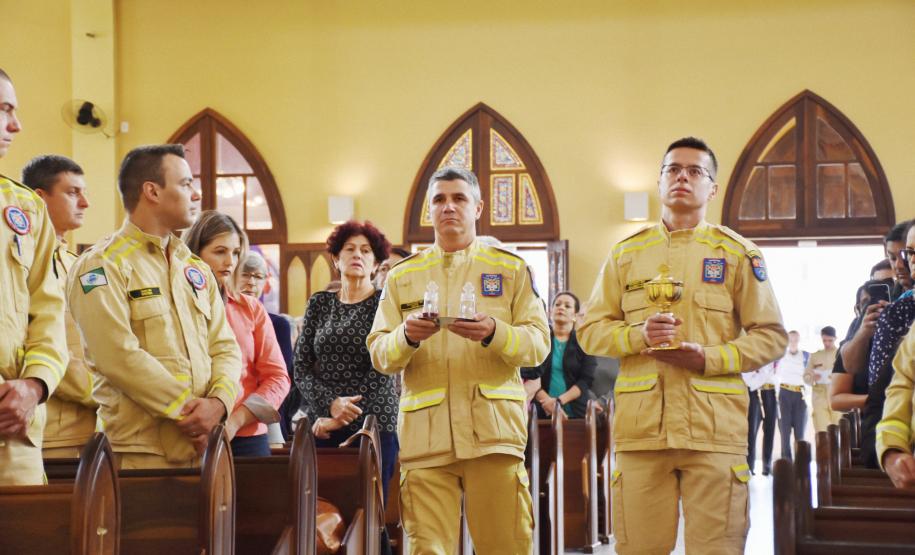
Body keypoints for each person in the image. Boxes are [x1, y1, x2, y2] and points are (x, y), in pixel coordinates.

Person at [578, 137, 787, 554]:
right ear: (659, 182)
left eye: (695, 172)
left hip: (713, 430)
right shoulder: (626, 254)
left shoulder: (736, 254)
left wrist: (709, 357)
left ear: (712, 189)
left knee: (717, 548)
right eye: (673, 170)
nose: (682, 178)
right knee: (639, 548)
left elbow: (771, 336)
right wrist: (638, 336)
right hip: (642, 432)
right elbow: (592, 330)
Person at [367, 167, 549, 554]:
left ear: (478, 206)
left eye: (459, 198)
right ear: (429, 212)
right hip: (425, 436)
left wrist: (495, 332)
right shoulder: (403, 275)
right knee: (427, 549)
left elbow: (538, 344)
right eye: (439, 200)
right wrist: (406, 337)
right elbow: (380, 354)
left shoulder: (510, 268)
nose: (449, 207)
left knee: (505, 546)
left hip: (493, 433)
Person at [68, 144, 241, 469]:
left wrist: (218, 403)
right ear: (152, 191)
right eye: (186, 183)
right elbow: (116, 356)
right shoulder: (101, 265)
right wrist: (189, 411)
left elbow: (225, 347)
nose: (196, 194)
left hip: (206, 448)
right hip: (138, 452)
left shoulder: (195, 269)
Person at [294, 220, 400, 499]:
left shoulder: (385, 305)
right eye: (349, 249)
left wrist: (341, 416)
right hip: (324, 426)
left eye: (366, 251)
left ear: (376, 264)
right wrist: (329, 406)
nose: (357, 255)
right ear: (336, 259)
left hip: (374, 424)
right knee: (321, 516)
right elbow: (302, 367)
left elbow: (383, 367)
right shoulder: (319, 303)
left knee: (369, 517)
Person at [0, 69, 69, 485]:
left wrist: (34, 386)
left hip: (15, 432)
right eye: (3, 109)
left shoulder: (24, 208)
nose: (16, 125)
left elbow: (49, 311)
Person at [184, 211, 290, 457]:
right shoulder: (176, 305)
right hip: (188, 430)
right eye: (220, 251)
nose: (230, 261)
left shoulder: (250, 308)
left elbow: (277, 378)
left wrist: (236, 420)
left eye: (235, 252)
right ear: (195, 253)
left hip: (246, 434)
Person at [21, 155, 98, 458]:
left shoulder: (76, 265)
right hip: (52, 433)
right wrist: (104, 391)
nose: (85, 203)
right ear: (39, 198)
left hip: (94, 427)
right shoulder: (21, 263)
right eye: (72, 192)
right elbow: (36, 341)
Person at [860, 220, 915, 467]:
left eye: (909, 254)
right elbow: (896, 387)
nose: (906, 262)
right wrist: (891, 450)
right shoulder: (901, 312)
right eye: (909, 252)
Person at [236, 251, 297, 440]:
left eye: (258, 277)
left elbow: (282, 373)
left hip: (265, 405)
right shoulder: (221, 316)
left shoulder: (278, 324)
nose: (251, 282)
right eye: (245, 275)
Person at [526, 291, 596, 419]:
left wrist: (558, 402)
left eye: (567, 306)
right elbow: (531, 375)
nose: (561, 307)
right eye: (557, 304)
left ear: (575, 315)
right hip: (542, 410)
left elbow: (586, 380)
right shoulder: (540, 340)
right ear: (549, 312)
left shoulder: (584, 342)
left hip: (577, 413)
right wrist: (549, 404)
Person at [775, 330, 809, 461]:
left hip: (800, 395)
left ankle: (800, 463)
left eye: (795, 340)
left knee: (800, 433)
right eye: (791, 340)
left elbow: (810, 376)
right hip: (784, 394)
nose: (793, 343)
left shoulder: (805, 356)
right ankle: (786, 463)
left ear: (798, 341)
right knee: (784, 431)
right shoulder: (780, 356)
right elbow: (773, 374)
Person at [743, 362, 777, 475]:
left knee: (770, 431)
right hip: (754, 393)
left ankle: (767, 466)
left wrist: (761, 374)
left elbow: (779, 376)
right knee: (751, 431)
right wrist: (765, 374)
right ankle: (749, 465)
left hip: (771, 392)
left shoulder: (775, 355)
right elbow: (747, 379)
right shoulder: (753, 355)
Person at [805, 326, 841, 433]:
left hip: (837, 397)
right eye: (824, 340)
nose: (827, 343)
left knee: (839, 433)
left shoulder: (841, 354)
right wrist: (812, 378)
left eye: (830, 340)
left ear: (835, 338)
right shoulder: (815, 356)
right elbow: (806, 376)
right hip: (819, 398)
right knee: (821, 433)